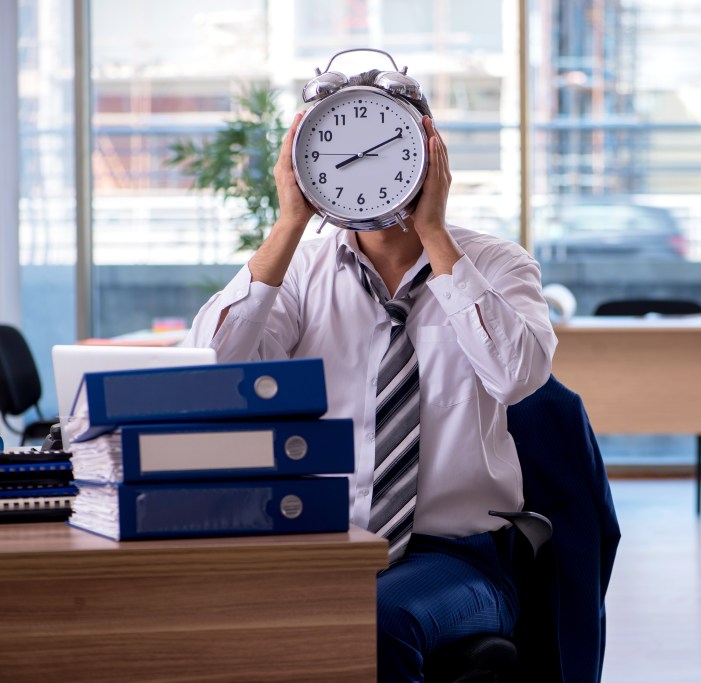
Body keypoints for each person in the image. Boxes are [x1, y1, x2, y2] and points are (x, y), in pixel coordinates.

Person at [182, 78, 557, 681]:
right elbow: (207, 373)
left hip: (459, 556)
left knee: (371, 619)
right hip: (319, 540)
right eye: (338, 153)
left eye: (387, 147)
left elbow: (518, 375)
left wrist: (435, 236)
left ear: (429, 152)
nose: (361, 168)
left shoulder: (496, 266)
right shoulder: (298, 270)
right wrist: (286, 228)